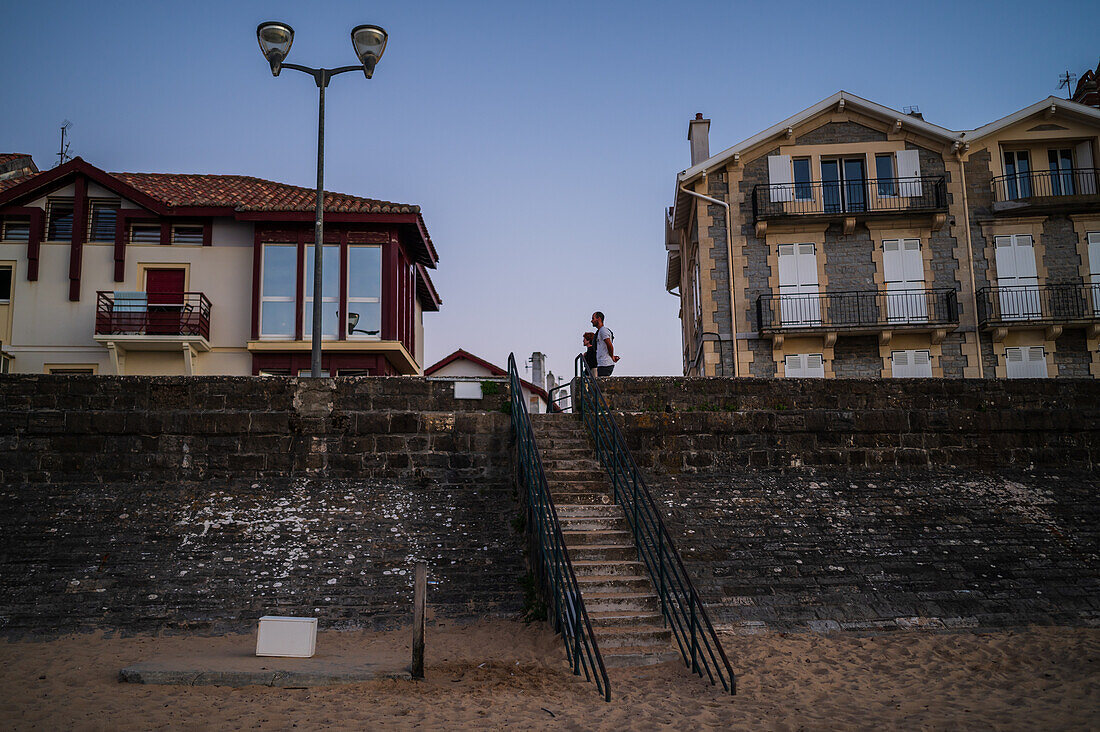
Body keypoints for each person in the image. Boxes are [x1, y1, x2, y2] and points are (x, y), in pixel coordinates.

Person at [591, 311, 619, 377]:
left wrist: (612, 357)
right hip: (602, 364)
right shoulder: (600, 331)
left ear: (599, 319)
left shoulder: (603, 330)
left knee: (600, 385)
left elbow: (609, 345)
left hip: (605, 364)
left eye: (593, 318)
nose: (591, 321)